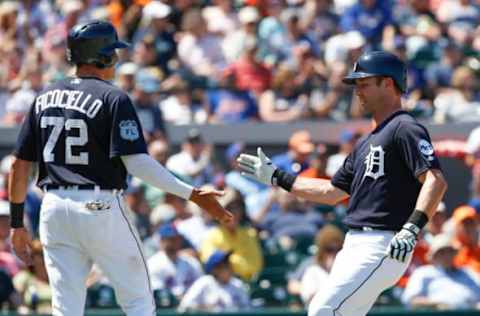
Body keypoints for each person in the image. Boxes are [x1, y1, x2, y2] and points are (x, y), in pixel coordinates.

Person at [9, 20, 232, 316]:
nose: (116, 58)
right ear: (100, 56)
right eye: (112, 52)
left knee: (65, 307)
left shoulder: (44, 96)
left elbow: (19, 164)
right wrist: (190, 193)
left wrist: (16, 223)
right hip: (98, 206)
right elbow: (137, 163)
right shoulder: (113, 96)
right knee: (138, 301)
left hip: (53, 207)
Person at [237, 50, 448, 316]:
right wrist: (278, 177)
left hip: (383, 242)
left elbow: (435, 180)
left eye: (364, 83)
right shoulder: (366, 141)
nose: (357, 91)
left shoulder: (404, 127)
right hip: (354, 244)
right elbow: (331, 192)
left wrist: (412, 228)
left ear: (388, 83)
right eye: (356, 85)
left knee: (322, 310)